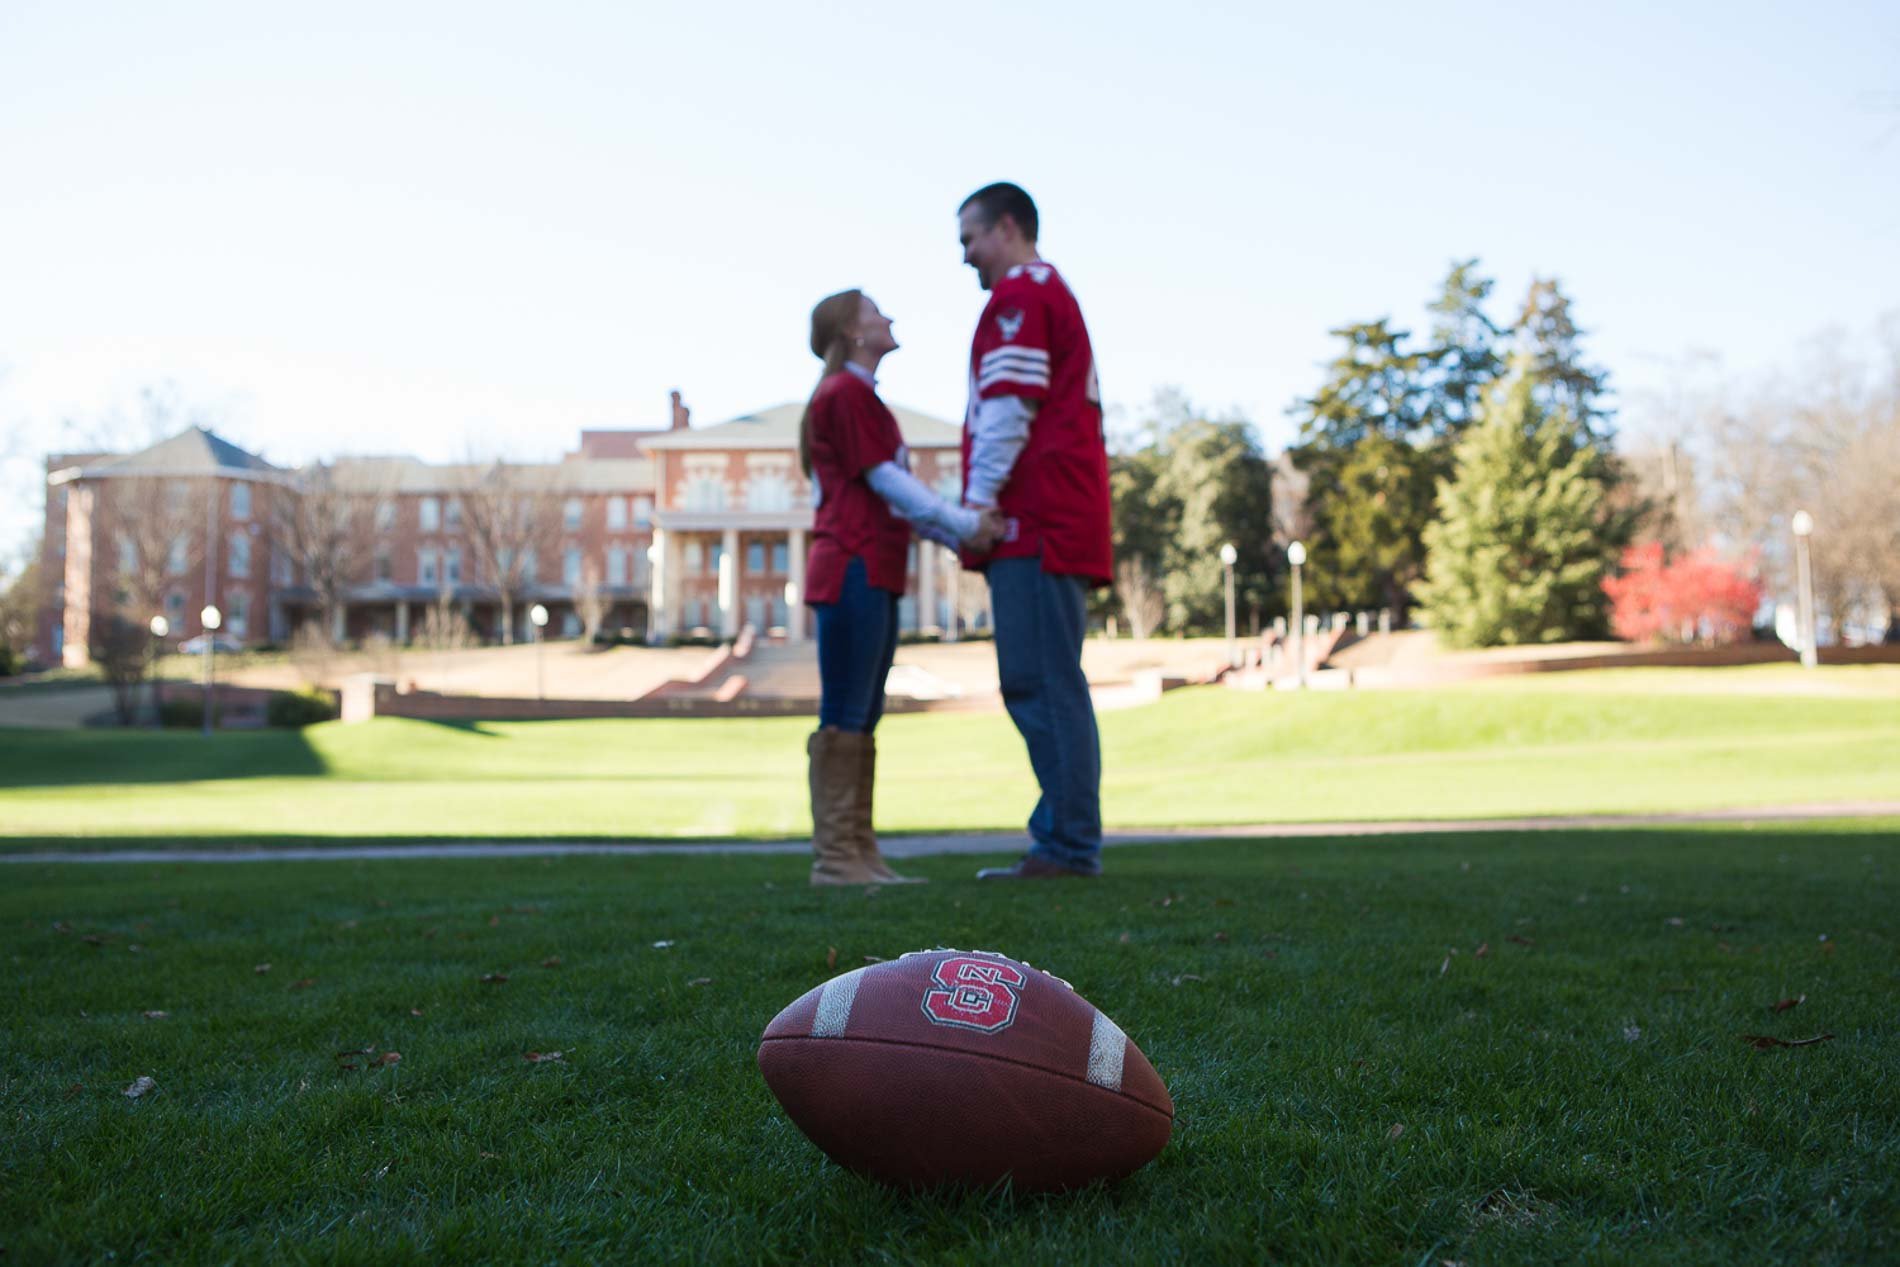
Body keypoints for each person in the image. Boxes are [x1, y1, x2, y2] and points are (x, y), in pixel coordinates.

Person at [799, 289, 1003, 885]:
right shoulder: (845, 394)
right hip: (852, 564)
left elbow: (897, 502)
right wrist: (965, 523)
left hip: (875, 566)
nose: (889, 317)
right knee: (845, 712)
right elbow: (885, 481)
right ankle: (836, 857)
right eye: (875, 311)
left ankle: (858, 854)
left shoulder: (862, 398)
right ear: (853, 332)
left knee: (864, 713)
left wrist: (959, 540)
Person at [955, 182, 1113, 880]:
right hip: (1055, 515)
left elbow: (1007, 412)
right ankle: (1066, 837)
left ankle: (1067, 844)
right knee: (1048, 678)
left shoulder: (1022, 297)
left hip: (1035, 520)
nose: (966, 257)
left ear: (1009, 227)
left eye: (971, 238)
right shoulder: (1053, 294)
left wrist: (977, 505)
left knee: (1042, 680)